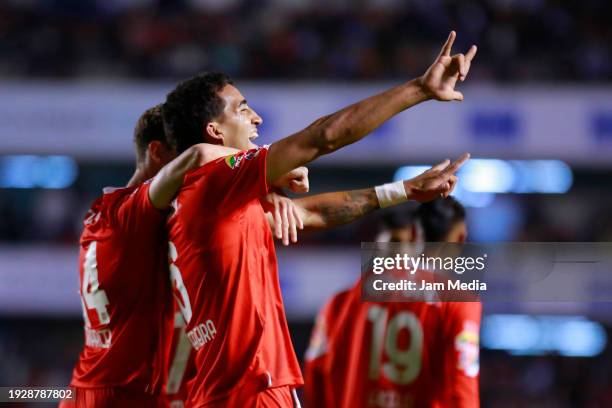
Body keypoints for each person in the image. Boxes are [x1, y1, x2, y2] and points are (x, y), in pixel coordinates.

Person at [162, 31, 476, 407]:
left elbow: (308, 212)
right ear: (214, 132)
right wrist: (418, 90)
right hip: (254, 389)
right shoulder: (214, 182)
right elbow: (323, 138)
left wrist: (403, 190)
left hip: (223, 392)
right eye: (242, 109)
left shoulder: (199, 203)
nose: (257, 117)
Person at [66, 106, 305, 408]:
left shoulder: (104, 213)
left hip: (87, 389)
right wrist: (265, 176)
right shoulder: (138, 217)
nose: (195, 176)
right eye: (178, 162)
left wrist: (258, 186)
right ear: (157, 153)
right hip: (130, 395)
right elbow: (199, 161)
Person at [304, 198, 481, 408]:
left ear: (414, 234)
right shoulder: (457, 301)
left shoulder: (342, 301)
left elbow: (315, 372)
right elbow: (462, 388)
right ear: (461, 238)